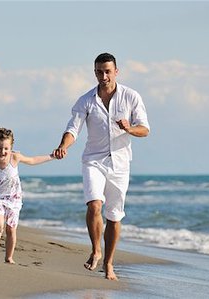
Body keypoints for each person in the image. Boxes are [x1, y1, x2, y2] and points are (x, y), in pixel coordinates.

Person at [53, 53, 150, 280]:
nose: (103, 76)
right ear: (94, 72)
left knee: (114, 217)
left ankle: (108, 263)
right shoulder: (86, 100)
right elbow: (73, 129)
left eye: (107, 71)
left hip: (120, 163)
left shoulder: (131, 96)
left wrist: (129, 128)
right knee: (94, 205)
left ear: (116, 71)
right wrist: (63, 146)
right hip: (93, 160)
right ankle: (96, 250)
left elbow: (145, 129)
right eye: (99, 71)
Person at [0, 127, 55, 264]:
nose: (3, 152)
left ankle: (9, 257)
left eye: (6, 148)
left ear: (11, 147)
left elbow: (32, 160)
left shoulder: (15, 157)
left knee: (11, 229)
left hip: (14, 199)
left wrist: (51, 156)